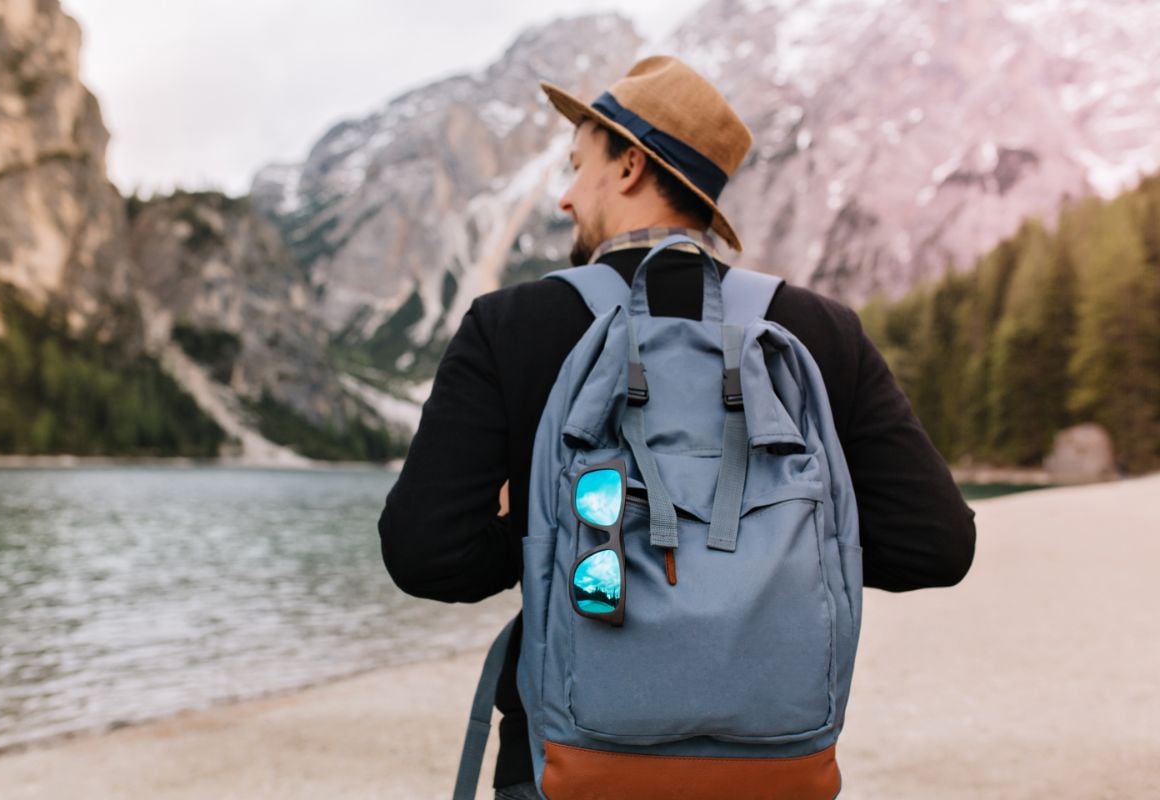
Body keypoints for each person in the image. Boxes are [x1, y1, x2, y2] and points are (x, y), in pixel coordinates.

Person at [380, 55, 976, 800]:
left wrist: (542, 531)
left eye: (578, 166)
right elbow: (938, 546)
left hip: (565, 769)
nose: (565, 198)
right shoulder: (822, 333)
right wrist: (781, 544)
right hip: (771, 774)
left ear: (629, 166)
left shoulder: (511, 326)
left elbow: (424, 553)